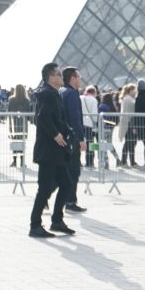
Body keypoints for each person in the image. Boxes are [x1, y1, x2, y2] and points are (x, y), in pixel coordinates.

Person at [28, 62, 75, 238]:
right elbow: (43, 117)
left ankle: (57, 220)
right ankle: (35, 225)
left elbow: (56, 118)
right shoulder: (48, 95)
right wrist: (56, 134)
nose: (62, 77)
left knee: (66, 184)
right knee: (45, 188)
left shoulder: (53, 93)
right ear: (51, 77)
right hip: (48, 150)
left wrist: (66, 131)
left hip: (55, 150)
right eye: (59, 74)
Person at [58, 67, 88, 212]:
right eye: (79, 75)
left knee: (63, 170)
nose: (80, 78)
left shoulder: (62, 91)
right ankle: (70, 201)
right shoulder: (72, 94)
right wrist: (81, 138)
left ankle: (46, 198)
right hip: (72, 138)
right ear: (73, 78)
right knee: (74, 170)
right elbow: (75, 119)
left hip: (63, 136)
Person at [116, 84, 138, 167]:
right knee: (129, 143)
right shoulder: (129, 99)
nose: (135, 92)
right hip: (129, 124)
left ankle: (129, 161)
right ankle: (125, 161)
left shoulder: (126, 98)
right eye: (134, 90)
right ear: (130, 90)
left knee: (130, 143)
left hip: (127, 123)